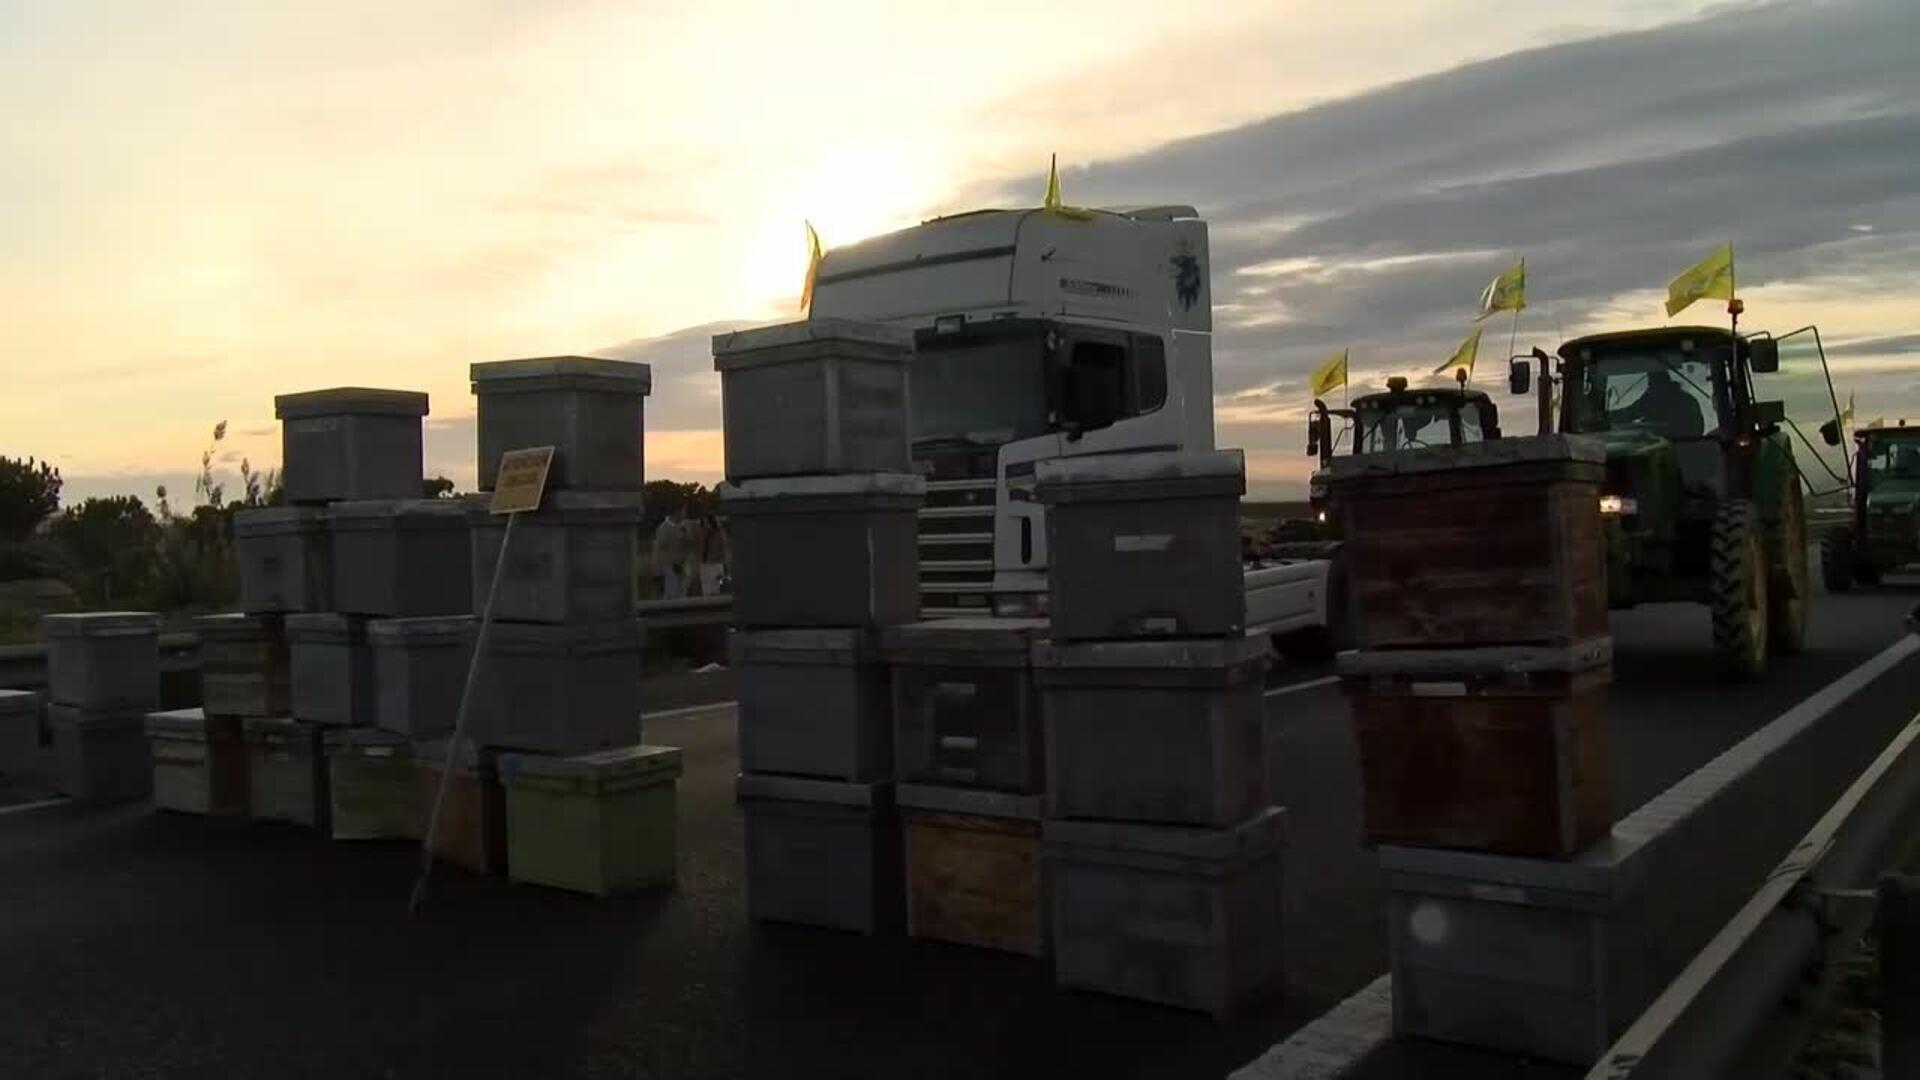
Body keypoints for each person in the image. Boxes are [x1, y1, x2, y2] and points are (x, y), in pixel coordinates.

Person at [1616, 369, 1704, 438]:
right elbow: (1699, 428)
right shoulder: (1688, 399)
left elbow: (1630, 413)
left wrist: (1610, 417)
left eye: (1651, 384)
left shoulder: (1652, 399)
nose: (1650, 387)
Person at [651, 509, 692, 599]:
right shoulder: (663, 528)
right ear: (676, 512)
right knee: (671, 593)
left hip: (682, 566)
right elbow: (661, 548)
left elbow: (688, 545)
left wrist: (685, 538)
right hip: (670, 566)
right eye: (682, 511)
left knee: (682, 593)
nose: (684, 514)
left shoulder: (684, 527)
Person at [695, 514, 729, 596]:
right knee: (706, 590)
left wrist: (725, 565)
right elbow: (700, 548)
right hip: (705, 564)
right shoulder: (702, 533)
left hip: (716, 564)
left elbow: (722, 549)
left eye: (707, 523)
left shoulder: (718, 533)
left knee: (716, 588)